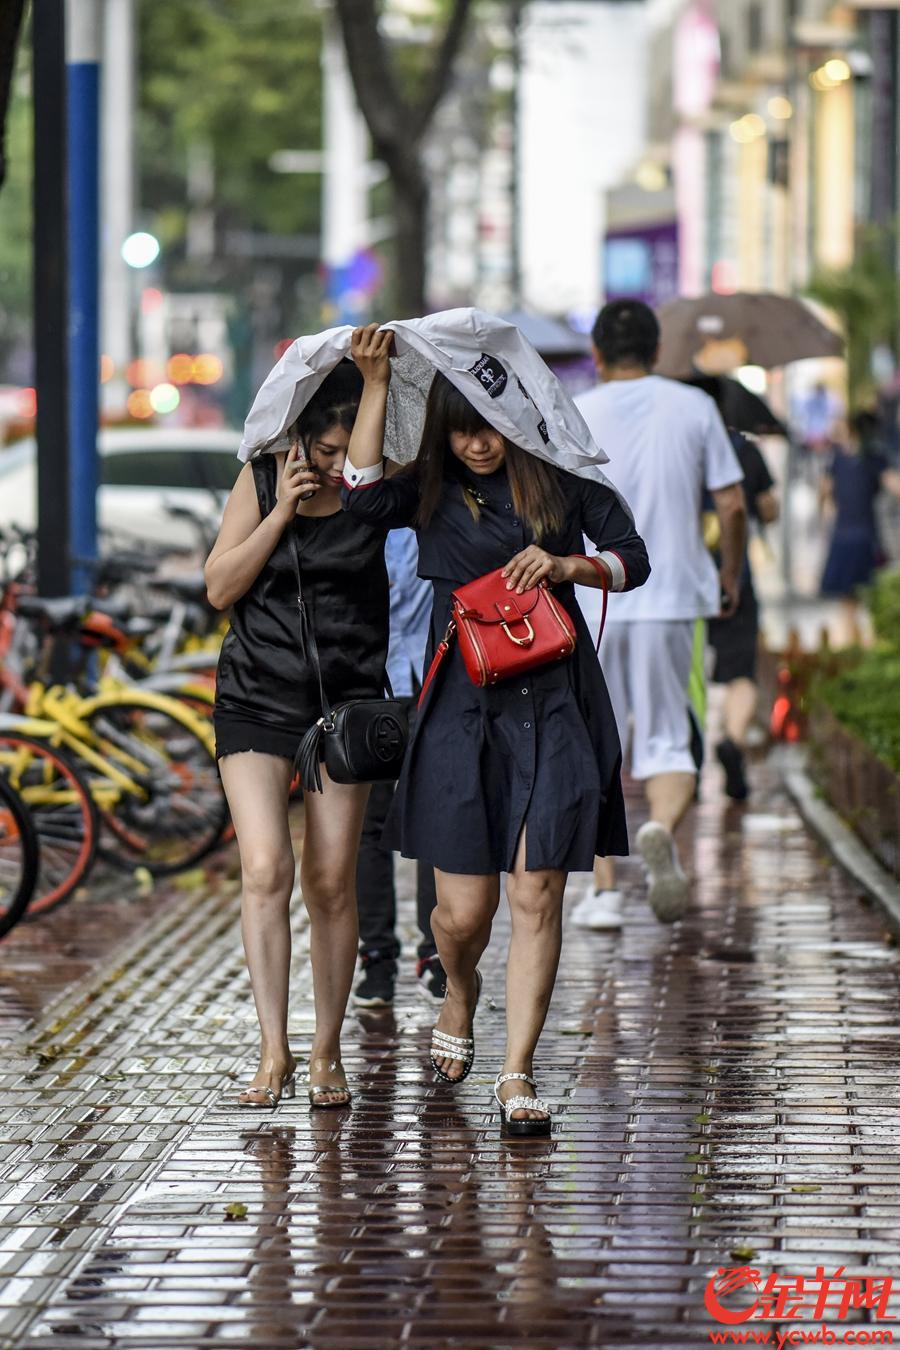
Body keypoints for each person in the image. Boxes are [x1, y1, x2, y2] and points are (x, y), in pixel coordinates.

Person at [343, 323, 650, 1137]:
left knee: (538, 890)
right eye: (461, 428)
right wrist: (374, 385)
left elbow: (632, 557)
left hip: (554, 700)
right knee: (463, 915)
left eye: (489, 426)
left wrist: (568, 566)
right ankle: (460, 984)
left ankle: (516, 1072)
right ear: (444, 429)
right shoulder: (431, 489)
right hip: (461, 706)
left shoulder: (558, 480)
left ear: (515, 417)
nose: (478, 443)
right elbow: (361, 493)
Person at [206, 360, 389, 1111]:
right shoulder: (257, 480)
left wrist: (377, 389)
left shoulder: (376, 498)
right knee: (264, 869)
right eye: (334, 449)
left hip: (342, 706)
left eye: (356, 449)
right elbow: (219, 587)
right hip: (254, 695)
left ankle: (326, 1050)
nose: (344, 464)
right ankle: (274, 1049)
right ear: (308, 437)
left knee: (329, 881)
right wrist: (280, 511)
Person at [570, 299, 745, 933]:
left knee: (598, 741)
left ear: (596, 354)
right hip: (675, 598)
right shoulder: (694, 406)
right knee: (671, 736)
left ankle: (606, 891)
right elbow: (730, 505)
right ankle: (658, 826)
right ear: (656, 352)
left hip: (595, 600)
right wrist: (728, 574)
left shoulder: (577, 411)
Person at [353, 525, 446, 1009]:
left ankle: (436, 955)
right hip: (370, 686)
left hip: (434, 681)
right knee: (368, 827)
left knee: (431, 824)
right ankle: (377, 957)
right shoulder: (354, 514)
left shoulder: (434, 506)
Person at [694, 381, 780, 802]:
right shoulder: (744, 449)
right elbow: (767, 508)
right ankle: (731, 739)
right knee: (740, 671)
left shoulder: (679, 447)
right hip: (734, 577)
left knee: (685, 675)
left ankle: (685, 761)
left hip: (682, 581)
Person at [820, 410, 900, 645]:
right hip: (865, 536)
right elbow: (895, 486)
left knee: (848, 603)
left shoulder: (838, 458)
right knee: (869, 598)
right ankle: (864, 647)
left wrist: (827, 508)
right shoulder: (874, 458)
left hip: (843, 534)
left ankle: (850, 647)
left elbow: (824, 490)